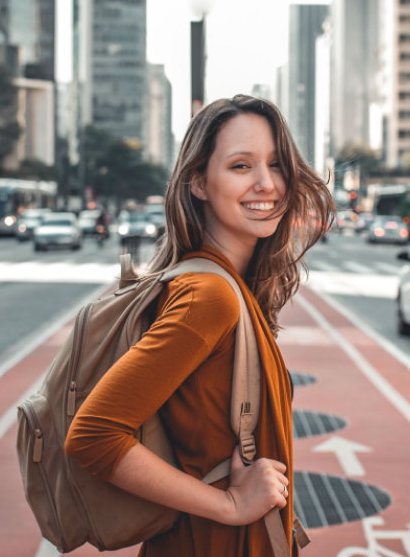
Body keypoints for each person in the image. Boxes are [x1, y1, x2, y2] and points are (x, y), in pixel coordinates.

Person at [65, 95, 333, 556]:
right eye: (241, 166)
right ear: (199, 183)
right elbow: (94, 435)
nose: (267, 183)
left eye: (275, 164)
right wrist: (229, 505)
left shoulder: (225, 285)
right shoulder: (208, 297)